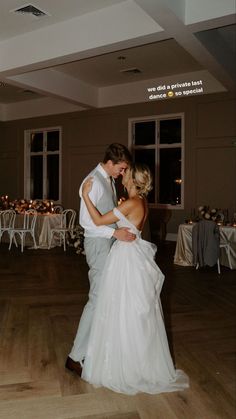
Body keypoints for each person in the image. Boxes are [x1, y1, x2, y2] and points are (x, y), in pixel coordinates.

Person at [80, 163, 189, 395]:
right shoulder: (139, 201)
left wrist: (85, 196)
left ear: (133, 180)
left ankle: (125, 365)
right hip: (132, 252)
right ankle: (135, 359)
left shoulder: (131, 202)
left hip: (126, 257)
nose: (123, 176)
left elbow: (98, 221)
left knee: (122, 307)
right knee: (132, 309)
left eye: (126, 174)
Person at [66, 143, 136, 375]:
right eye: (122, 168)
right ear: (110, 163)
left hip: (106, 243)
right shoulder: (93, 181)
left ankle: (94, 348)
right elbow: (88, 222)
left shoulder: (107, 179)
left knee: (104, 297)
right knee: (96, 298)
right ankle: (75, 357)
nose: (123, 173)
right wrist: (115, 233)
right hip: (97, 245)